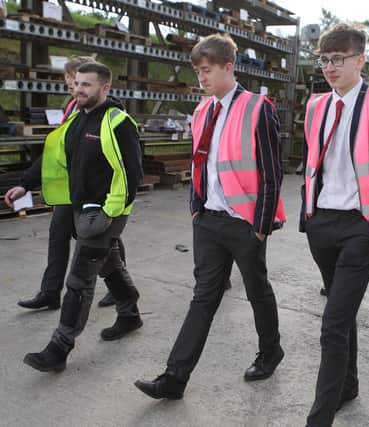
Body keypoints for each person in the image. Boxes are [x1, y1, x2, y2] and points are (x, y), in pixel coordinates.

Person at [134, 33, 286, 400]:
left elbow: (272, 171)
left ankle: (270, 351)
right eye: (198, 72)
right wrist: (196, 208)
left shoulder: (257, 107)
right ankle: (174, 378)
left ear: (228, 67)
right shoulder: (203, 110)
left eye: (207, 71)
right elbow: (200, 163)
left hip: (245, 223)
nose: (200, 78)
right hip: (208, 219)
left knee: (256, 291)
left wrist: (261, 228)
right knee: (203, 298)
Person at [300, 23, 369, 426]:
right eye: (324, 60)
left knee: (332, 324)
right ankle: (348, 386)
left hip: (361, 228)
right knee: (341, 316)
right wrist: (309, 217)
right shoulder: (315, 106)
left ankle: (320, 418)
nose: (329, 67)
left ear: (360, 59)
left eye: (337, 59)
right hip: (322, 225)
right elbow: (313, 166)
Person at [6, 62, 144, 372]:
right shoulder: (76, 119)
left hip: (105, 211)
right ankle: (130, 313)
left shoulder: (118, 123)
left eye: (87, 85)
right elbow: (52, 156)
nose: (78, 89)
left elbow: (132, 174)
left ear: (105, 88)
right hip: (81, 207)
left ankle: (59, 347)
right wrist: (24, 184)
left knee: (79, 280)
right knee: (108, 263)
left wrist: (110, 213)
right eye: (77, 83)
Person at [6, 56, 117, 310]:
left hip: (90, 193)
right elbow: (54, 153)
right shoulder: (72, 109)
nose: (71, 85)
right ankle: (50, 292)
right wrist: (26, 183)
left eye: (77, 79)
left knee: (100, 243)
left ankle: (119, 289)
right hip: (67, 191)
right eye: (69, 79)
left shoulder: (105, 113)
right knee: (58, 237)